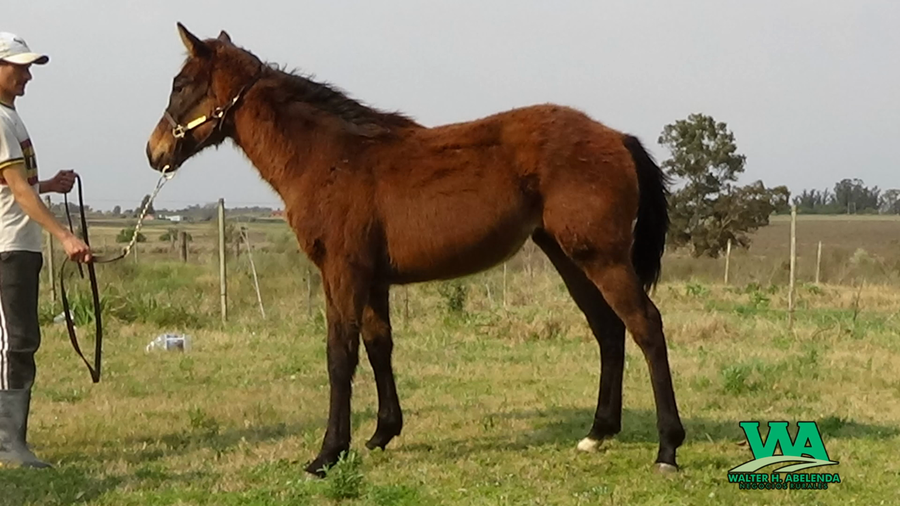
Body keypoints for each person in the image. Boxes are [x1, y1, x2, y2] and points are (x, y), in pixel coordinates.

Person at [0, 31, 92, 469]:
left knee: (20, 343)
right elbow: (17, 193)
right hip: (6, 248)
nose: (28, 75)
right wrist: (65, 236)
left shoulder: (10, 117)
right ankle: (8, 445)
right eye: (19, 66)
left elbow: (15, 184)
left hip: (19, 246)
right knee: (14, 345)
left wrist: (50, 185)